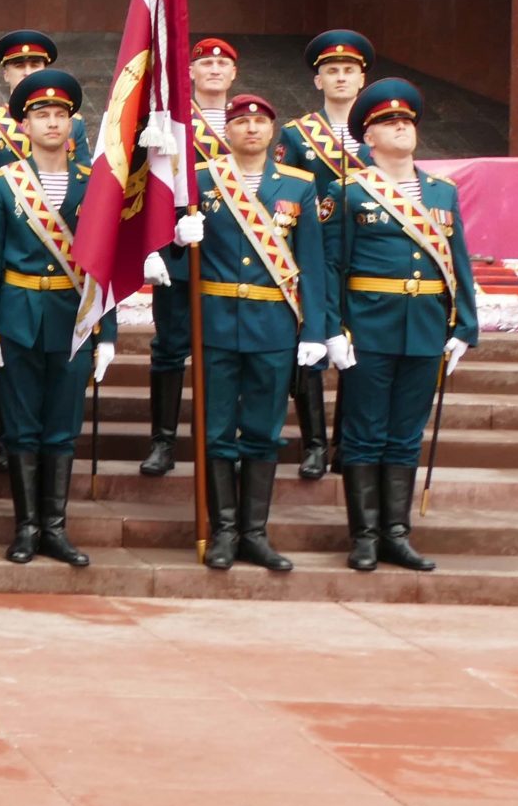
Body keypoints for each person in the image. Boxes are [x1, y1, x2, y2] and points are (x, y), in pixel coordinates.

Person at [146, 95, 322, 572]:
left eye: (260, 122)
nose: (250, 130)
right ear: (226, 132)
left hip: (274, 326)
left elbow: (312, 264)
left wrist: (317, 330)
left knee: (264, 433)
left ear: (273, 133)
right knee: (217, 430)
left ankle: (256, 534)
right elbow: (169, 250)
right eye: (241, 122)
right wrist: (179, 240)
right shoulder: (200, 181)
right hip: (216, 321)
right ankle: (223, 531)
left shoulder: (299, 187)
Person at [333, 78, 478, 574]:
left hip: (425, 327)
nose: (401, 126)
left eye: (407, 121)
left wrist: (465, 327)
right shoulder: (347, 191)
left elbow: (459, 263)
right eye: (388, 122)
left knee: (404, 435)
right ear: (368, 137)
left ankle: (397, 534)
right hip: (369, 326)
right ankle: (365, 536)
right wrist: (334, 329)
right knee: (364, 432)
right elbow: (333, 266)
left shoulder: (443, 192)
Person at [0, 69, 114, 569]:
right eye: (41, 115)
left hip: (74, 319)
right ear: (24, 126)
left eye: (60, 114)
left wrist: (108, 331)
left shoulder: (96, 185)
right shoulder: (2, 183)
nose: (52, 122)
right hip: (16, 317)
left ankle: (55, 528)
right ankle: (26, 528)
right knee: (20, 427)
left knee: (61, 427)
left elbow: (105, 262)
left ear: (73, 124)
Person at [279, 29, 374, 480]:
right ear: (318, 81)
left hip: (367, 257)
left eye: (348, 71)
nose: (340, 78)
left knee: (361, 349)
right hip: (313, 256)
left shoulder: (378, 135)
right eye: (331, 71)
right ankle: (314, 444)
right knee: (311, 346)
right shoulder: (296, 135)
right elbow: (287, 195)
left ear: (362, 79)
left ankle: (345, 443)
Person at [142, 36, 239, 478]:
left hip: (234, 256)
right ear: (191, 73)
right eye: (206, 63)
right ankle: (162, 440)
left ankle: (213, 436)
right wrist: (157, 245)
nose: (215, 69)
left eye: (223, 63)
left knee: (223, 351)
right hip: (180, 252)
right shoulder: (173, 125)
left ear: (234, 74)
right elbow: (151, 188)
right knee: (169, 349)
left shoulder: (250, 121)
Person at [0, 32, 91, 212]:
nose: (27, 72)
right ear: (6, 74)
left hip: (62, 224)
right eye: (19, 66)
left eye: (35, 65)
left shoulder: (74, 123)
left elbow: (84, 181)